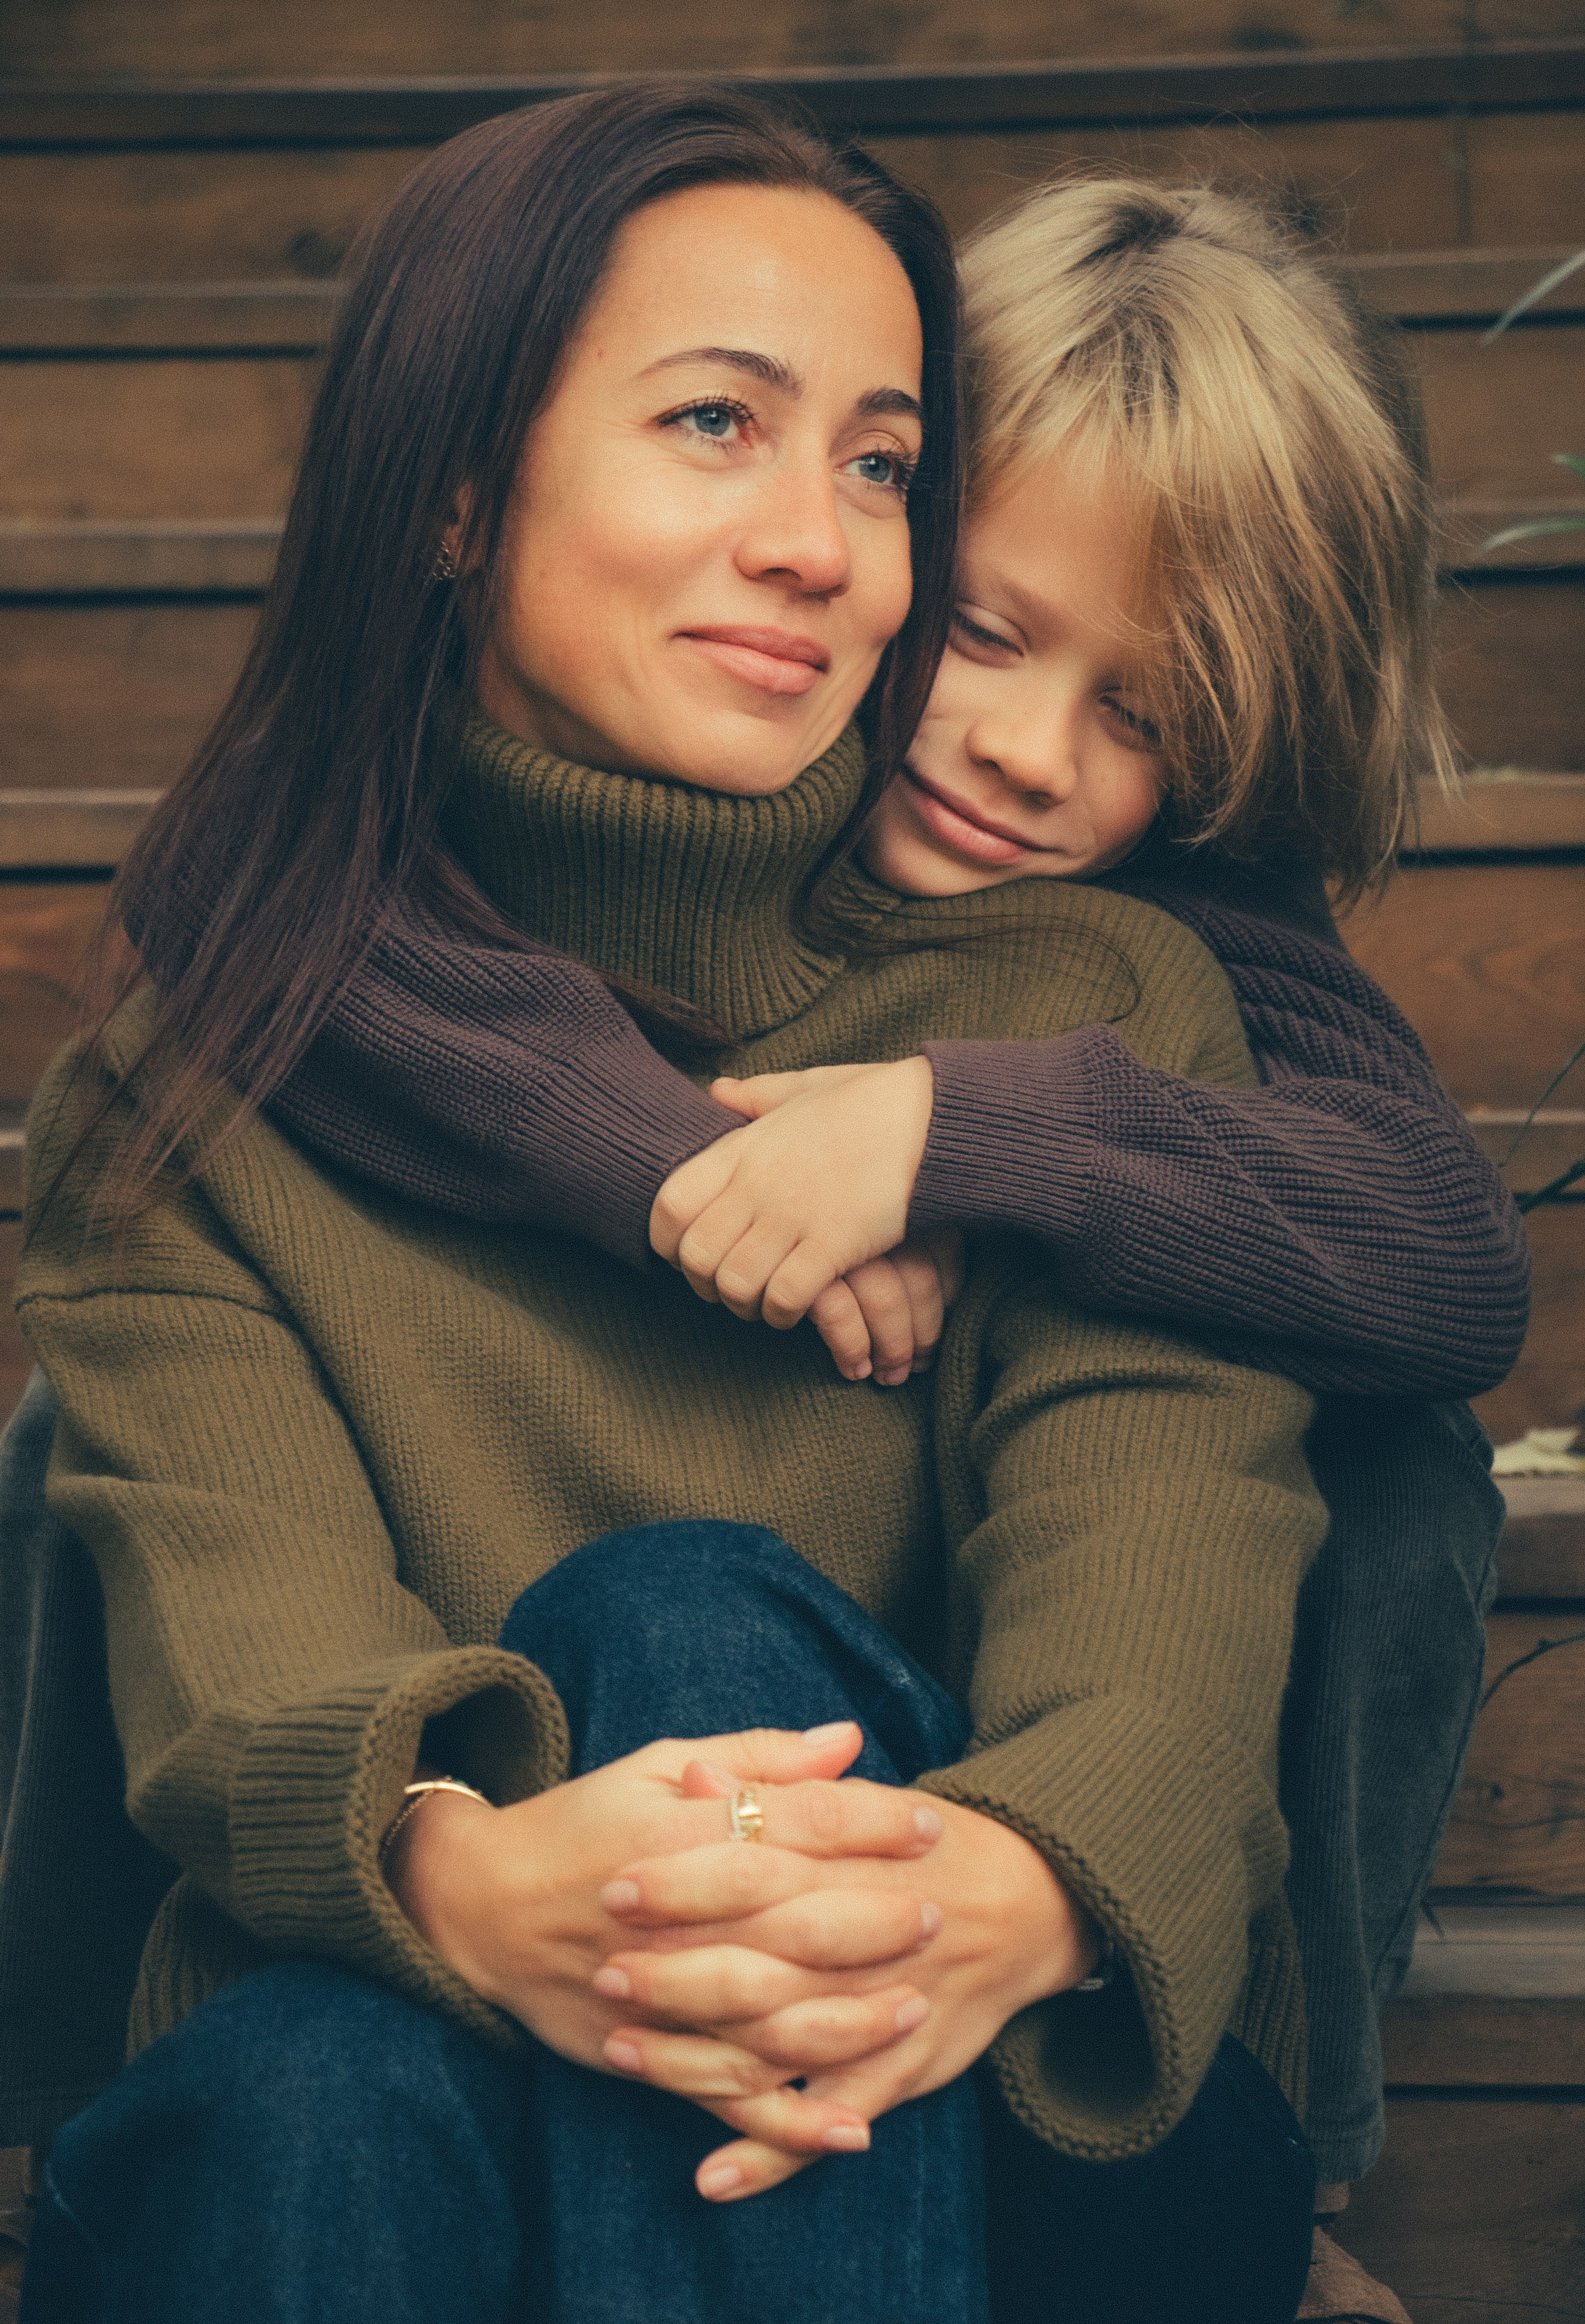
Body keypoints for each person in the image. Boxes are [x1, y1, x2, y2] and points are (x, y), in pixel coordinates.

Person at [21, 167, 1510, 2256]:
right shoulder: (274, 1019)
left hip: (1013, 1999)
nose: (1014, 747)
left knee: (694, 1617)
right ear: (461, 496)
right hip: (420, 1954)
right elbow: (263, 936)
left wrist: (959, 1140)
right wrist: (699, 1176)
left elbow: (1422, 1279)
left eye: (1143, 713)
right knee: (303, 2076)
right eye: (987, 622)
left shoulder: (1144, 967)